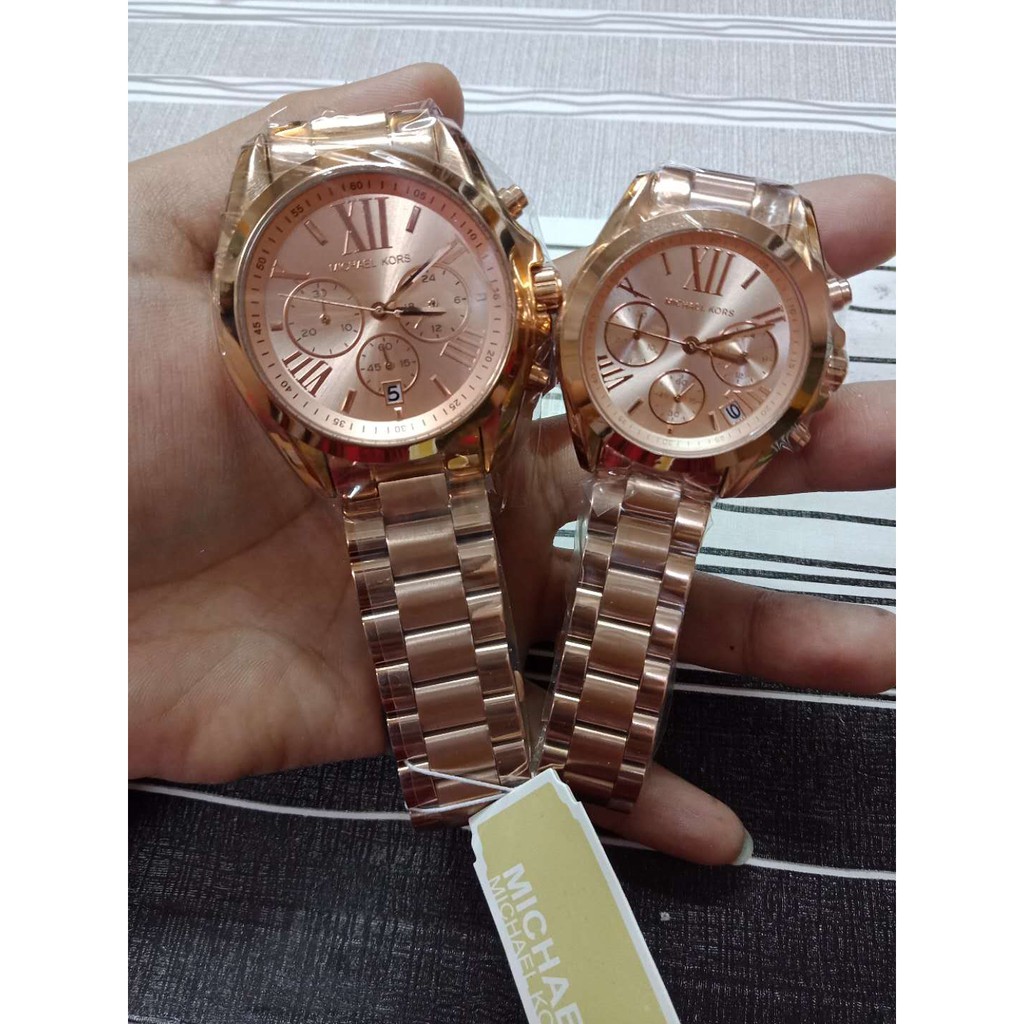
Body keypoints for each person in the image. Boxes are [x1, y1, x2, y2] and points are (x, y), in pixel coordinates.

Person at [128, 63, 896, 865]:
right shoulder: (310, 217)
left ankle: (497, 783)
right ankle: (473, 781)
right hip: (357, 429)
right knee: (488, 747)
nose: (385, 304)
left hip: (460, 424)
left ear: (529, 297)